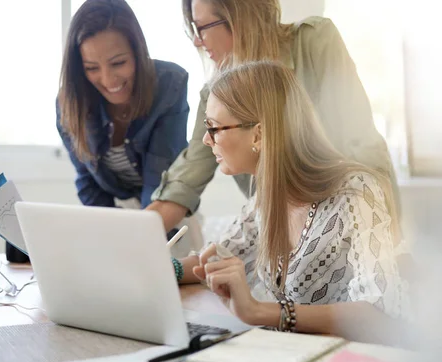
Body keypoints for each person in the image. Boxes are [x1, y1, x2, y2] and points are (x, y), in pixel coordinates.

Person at [173, 61, 411, 345]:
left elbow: (377, 314)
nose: (206, 139)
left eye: (213, 127)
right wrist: (164, 268)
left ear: (258, 135)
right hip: (294, 355)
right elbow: (217, 259)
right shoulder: (268, 195)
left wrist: (261, 311)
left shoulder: (356, 193)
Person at [147, 0, 400, 235]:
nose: (197, 41)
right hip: (285, 240)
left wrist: (386, 234)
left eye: (202, 27)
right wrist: (133, 237)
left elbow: (361, 145)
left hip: (350, 226)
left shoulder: (313, 42)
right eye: (193, 28)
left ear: (238, 17)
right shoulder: (215, 93)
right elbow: (186, 178)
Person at [57, 0, 189, 225]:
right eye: (92, 68)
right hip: (115, 211)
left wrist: (142, 237)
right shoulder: (70, 103)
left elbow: (158, 179)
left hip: (167, 208)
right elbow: (87, 182)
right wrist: (109, 232)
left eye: (118, 63)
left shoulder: (170, 84)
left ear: (137, 52)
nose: (108, 80)